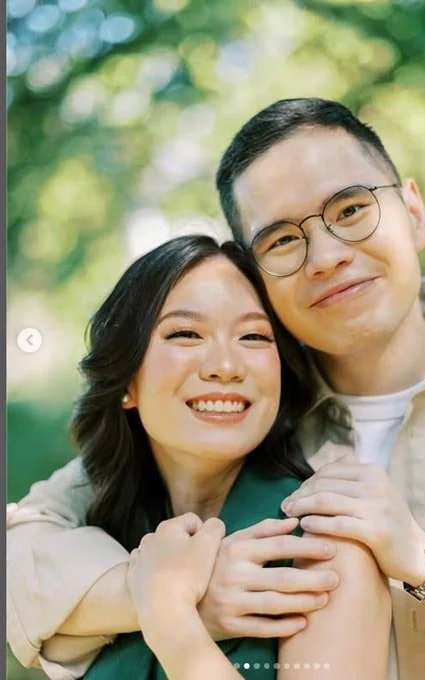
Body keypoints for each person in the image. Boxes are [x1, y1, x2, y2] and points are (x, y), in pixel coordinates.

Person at [8, 98, 425, 679]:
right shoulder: (235, 414)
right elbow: (26, 546)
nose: (326, 257)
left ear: (415, 212)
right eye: (282, 241)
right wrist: (173, 592)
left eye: (351, 209)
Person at [8, 234, 391, 680]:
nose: (225, 366)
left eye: (253, 336)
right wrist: (153, 591)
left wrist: (171, 617)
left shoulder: (325, 544)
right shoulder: (94, 522)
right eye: (186, 334)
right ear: (126, 381)